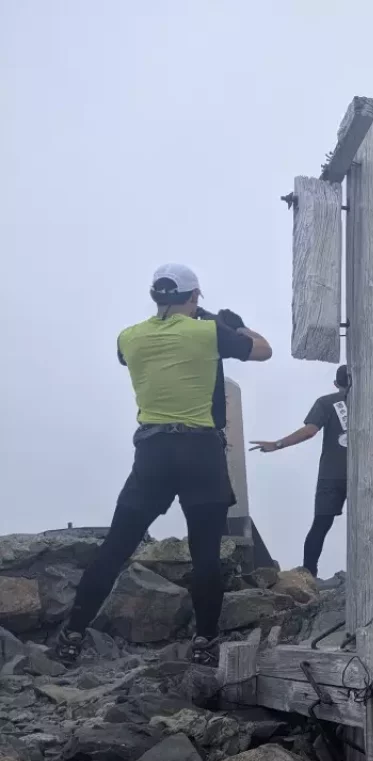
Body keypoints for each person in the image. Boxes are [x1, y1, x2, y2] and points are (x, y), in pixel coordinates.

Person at [53, 264, 272, 665]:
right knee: (205, 554)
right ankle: (205, 644)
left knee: (116, 547)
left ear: (155, 296)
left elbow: (127, 356)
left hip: (152, 453)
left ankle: (72, 636)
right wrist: (233, 325)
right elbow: (263, 350)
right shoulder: (209, 332)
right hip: (201, 453)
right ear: (194, 297)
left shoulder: (129, 337)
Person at [250, 365, 348, 576]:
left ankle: (308, 577)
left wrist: (277, 444)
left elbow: (309, 431)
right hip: (367, 473)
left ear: (336, 384)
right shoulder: (371, 402)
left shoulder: (326, 402)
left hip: (332, 474)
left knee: (320, 526)